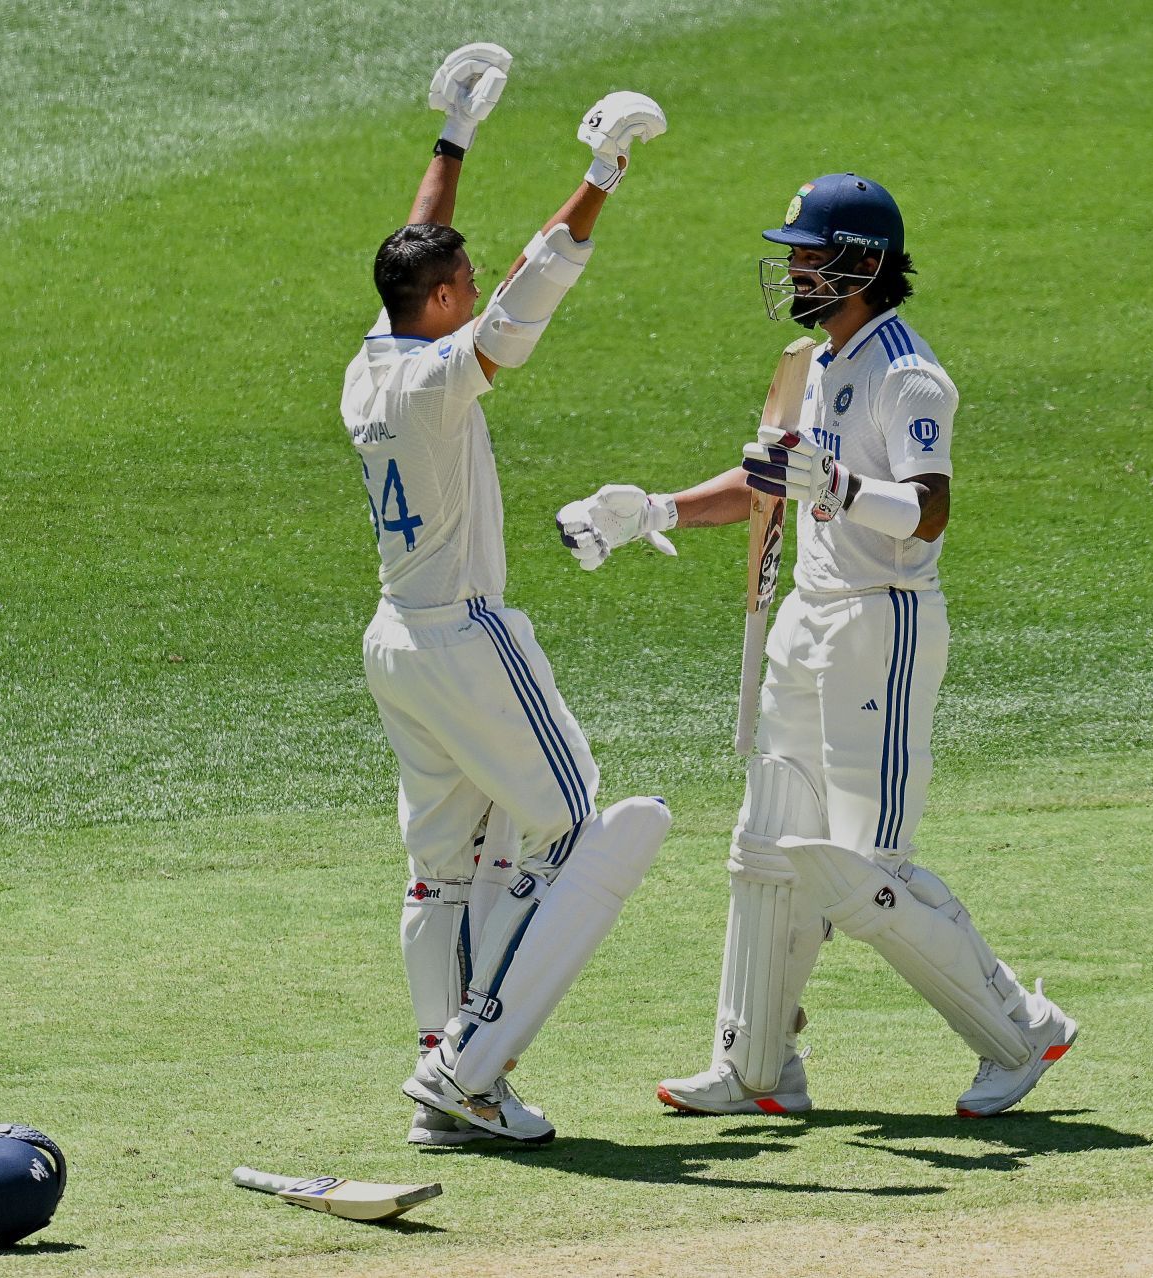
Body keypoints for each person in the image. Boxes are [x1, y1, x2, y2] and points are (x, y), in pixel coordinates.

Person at [555, 173, 1076, 1119]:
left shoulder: (908, 374)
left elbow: (928, 512)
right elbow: (768, 477)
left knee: (863, 871)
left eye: (809, 251)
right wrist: (655, 511)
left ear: (864, 264)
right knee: (766, 848)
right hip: (807, 619)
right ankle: (758, 1068)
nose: (793, 266)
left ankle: (1022, 1027)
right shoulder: (817, 362)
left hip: (883, 625)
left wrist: (833, 483)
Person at [344, 43, 672, 1145]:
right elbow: (535, 285)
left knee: (449, 869)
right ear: (441, 304)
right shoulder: (440, 380)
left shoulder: (374, 360)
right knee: (574, 824)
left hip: (395, 639)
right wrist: (604, 172)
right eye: (461, 286)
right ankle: (472, 1065)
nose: (474, 287)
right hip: (464, 637)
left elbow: (412, 253)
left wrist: (456, 135)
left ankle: (449, 1082)